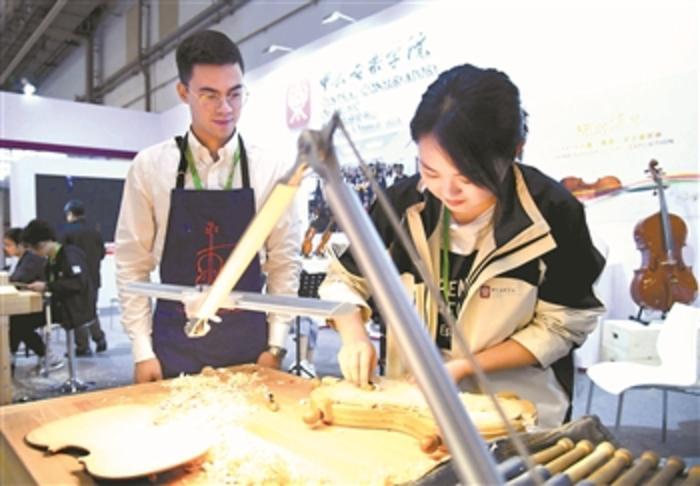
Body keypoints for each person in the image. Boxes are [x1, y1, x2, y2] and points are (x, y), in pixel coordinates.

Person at [319, 64, 605, 427]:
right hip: (412, 402)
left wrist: (463, 367)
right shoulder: (400, 205)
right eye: (431, 171)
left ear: (515, 152)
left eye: (469, 177)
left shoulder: (553, 212)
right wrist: (354, 334)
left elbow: (564, 323)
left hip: (515, 411)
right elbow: (345, 278)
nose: (448, 192)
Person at [115, 30, 301, 383]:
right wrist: (142, 351)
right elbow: (132, 264)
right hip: (173, 344)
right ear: (183, 92)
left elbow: (283, 262)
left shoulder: (270, 168)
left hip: (250, 345)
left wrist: (276, 345)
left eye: (235, 94)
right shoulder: (151, 166)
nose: (225, 108)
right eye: (209, 95)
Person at [22, 220, 97, 352]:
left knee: (21, 323)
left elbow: (77, 283)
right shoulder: (51, 260)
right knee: (19, 320)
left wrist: (47, 286)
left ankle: (47, 355)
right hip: (59, 306)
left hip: (71, 310)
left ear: (40, 244)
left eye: (33, 249)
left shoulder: (69, 255)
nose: (34, 253)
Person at [3, 228, 63, 373]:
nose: (5, 249)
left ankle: (49, 357)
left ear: (21, 245)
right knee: (14, 319)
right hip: (36, 304)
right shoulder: (23, 259)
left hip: (48, 306)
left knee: (19, 323)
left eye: (8, 245)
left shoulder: (31, 259)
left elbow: (18, 279)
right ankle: (10, 356)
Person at [61, 199, 107, 356]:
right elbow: (102, 254)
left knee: (77, 313)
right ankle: (99, 338)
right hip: (94, 278)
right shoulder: (94, 231)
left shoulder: (67, 232)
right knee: (91, 310)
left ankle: (82, 346)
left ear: (70, 214)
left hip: (76, 280)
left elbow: (63, 256)